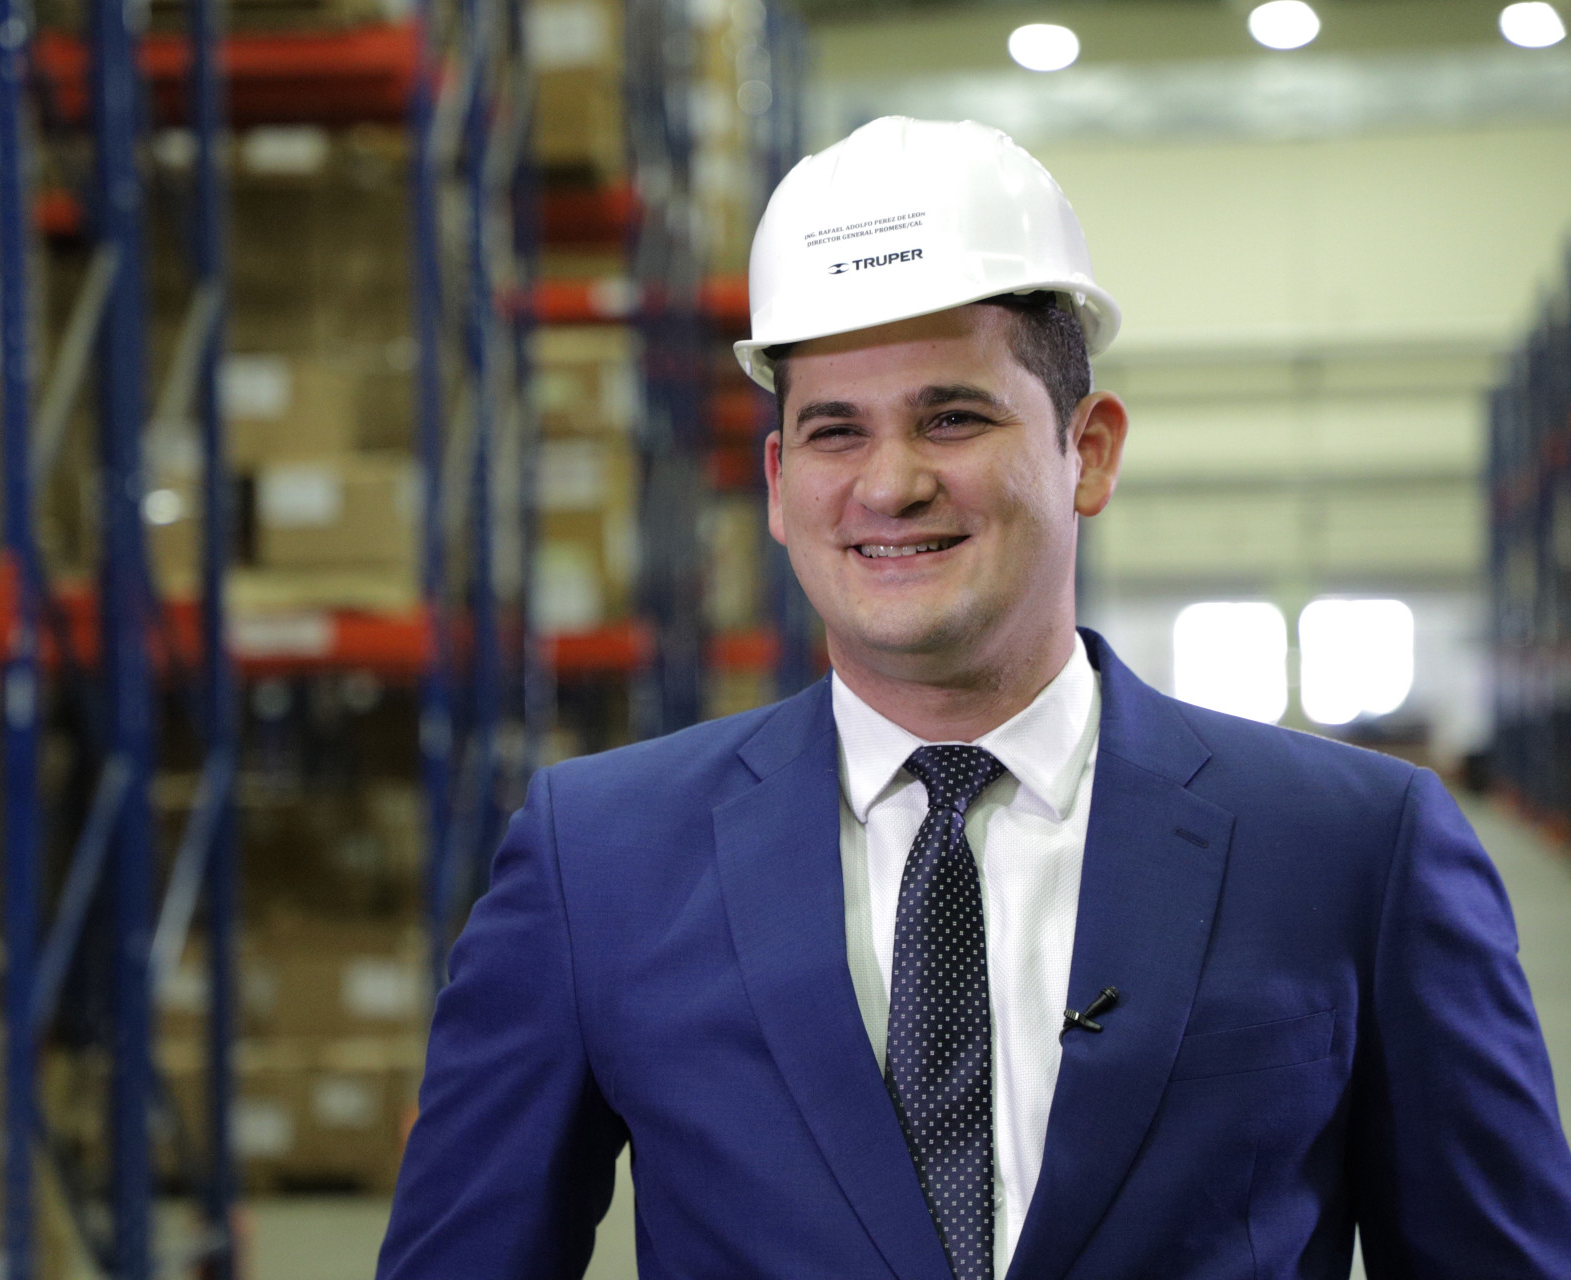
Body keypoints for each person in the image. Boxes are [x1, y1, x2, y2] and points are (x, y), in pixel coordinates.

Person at [376, 117, 1571, 1279]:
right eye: (835, 431)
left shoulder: (1353, 849)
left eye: (952, 417)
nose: (891, 484)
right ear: (780, 483)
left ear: (1088, 450)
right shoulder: (598, 862)